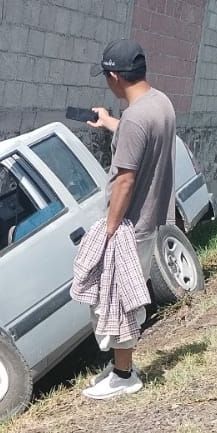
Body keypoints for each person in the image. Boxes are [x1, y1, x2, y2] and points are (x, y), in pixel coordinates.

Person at [80, 39, 176, 400]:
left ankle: (124, 376)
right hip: (148, 220)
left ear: (115, 77)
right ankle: (123, 365)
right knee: (123, 295)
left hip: (129, 225)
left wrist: (109, 228)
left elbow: (125, 179)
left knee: (118, 301)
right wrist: (109, 122)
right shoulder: (159, 102)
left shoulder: (136, 118)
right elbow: (140, 134)